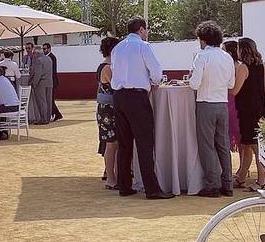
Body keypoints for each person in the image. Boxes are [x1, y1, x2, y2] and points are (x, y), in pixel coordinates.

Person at [110, 17, 174, 199]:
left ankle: (124, 185)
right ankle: (152, 189)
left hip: (119, 96)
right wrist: (154, 81)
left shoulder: (118, 48)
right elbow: (156, 72)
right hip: (137, 97)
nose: (147, 33)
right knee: (145, 143)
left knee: (124, 144)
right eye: (146, 30)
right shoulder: (143, 46)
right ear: (141, 29)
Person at [189, 21, 236, 198]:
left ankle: (212, 184)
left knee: (207, 145)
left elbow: (194, 84)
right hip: (222, 103)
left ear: (203, 39)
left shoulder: (202, 56)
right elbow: (231, 83)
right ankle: (227, 184)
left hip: (205, 103)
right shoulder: (227, 57)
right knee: (223, 145)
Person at [234, 37, 265, 190]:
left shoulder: (243, 68)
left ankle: (261, 182)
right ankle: (241, 177)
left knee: (255, 146)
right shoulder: (261, 65)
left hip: (247, 109)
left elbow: (235, 90)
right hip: (259, 108)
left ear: (242, 50)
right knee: (248, 144)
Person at [95, 36, 121, 189]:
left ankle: (112, 176)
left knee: (113, 143)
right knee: (111, 144)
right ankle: (111, 178)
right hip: (108, 110)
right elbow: (116, 86)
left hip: (106, 109)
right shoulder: (108, 67)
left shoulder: (104, 65)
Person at [222, 40, 248, 156]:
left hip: (235, 103)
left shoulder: (238, 67)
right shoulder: (229, 66)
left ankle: (243, 167)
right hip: (228, 102)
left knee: (238, 135)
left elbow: (235, 90)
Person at [28, 47, 52, 124]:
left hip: (41, 83)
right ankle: (47, 118)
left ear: (37, 53)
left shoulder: (38, 60)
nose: (33, 55)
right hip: (49, 82)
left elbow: (38, 74)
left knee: (42, 102)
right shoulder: (49, 59)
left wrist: (34, 83)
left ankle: (43, 119)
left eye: (34, 53)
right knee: (48, 101)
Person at [43, 42, 63, 122]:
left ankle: (57, 114)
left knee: (50, 99)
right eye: (43, 49)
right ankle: (55, 113)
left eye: (45, 49)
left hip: (52, 81)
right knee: (50, 99)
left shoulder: (51, 57)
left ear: (49, 49)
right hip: (51, 80)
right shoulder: (49, 57)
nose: (44, 50)